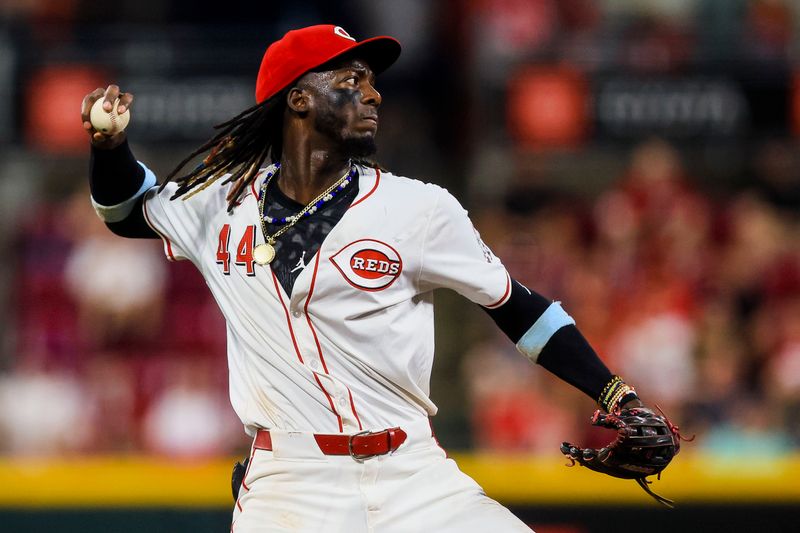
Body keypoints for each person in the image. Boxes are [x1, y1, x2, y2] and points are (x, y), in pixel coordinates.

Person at [82, 24, 665, 532]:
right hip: (291, 482)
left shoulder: (420, 209)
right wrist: (109, 146)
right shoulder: (220, 203)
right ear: (300, 99)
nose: (374, 91)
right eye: (352, 78)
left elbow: (519, 307)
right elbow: (128, 209)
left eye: (372, 79)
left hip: (413, 472)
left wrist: (617, 395)